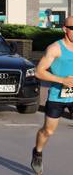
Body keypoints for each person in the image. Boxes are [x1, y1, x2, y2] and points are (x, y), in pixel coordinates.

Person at [30, 16, 73, 174]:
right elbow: (39, 72)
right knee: (48, 131)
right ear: (64, 29)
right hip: (57, 96)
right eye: (72, 28)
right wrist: (62, 80)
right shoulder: (55, 48)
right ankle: (38, 153)